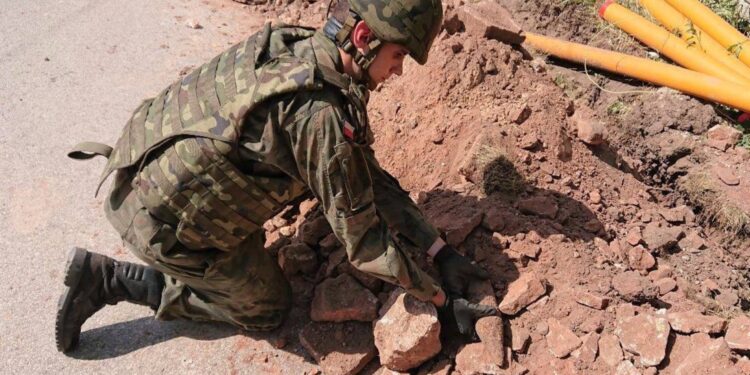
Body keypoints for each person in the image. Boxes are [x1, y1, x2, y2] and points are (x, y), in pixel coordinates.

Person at [56, 0, 497, 353]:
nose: (399, 71)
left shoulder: (298, 46)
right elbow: (364, 245)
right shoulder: (320, 116)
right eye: (399, 54)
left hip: (145, 169)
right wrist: (440, 300)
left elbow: (365, 174)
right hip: (164, 227)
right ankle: (113, 280)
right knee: (269, 310)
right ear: (363, 37)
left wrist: (438, 250)